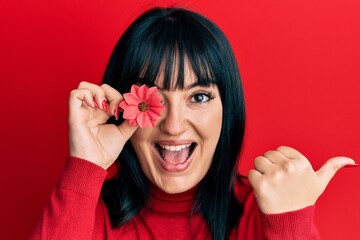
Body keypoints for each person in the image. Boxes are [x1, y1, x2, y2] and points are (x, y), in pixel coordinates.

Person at [30, 7, 356, 240]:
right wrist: (84, 165)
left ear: (227, 109)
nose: (173, 126)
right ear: (122, 109)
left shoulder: (264, 216)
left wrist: (292, 224)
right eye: (153, 97)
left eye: (198, 97)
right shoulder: (87, 214)